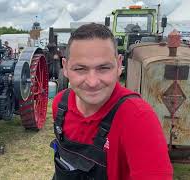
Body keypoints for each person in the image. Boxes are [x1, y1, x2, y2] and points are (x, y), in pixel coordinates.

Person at [51, 23, 172, 180]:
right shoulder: (61, 104)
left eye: (103, 68)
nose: (92, 82)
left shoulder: (137, 118)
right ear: (65, 68)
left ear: (119, 65)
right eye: (80, 69)